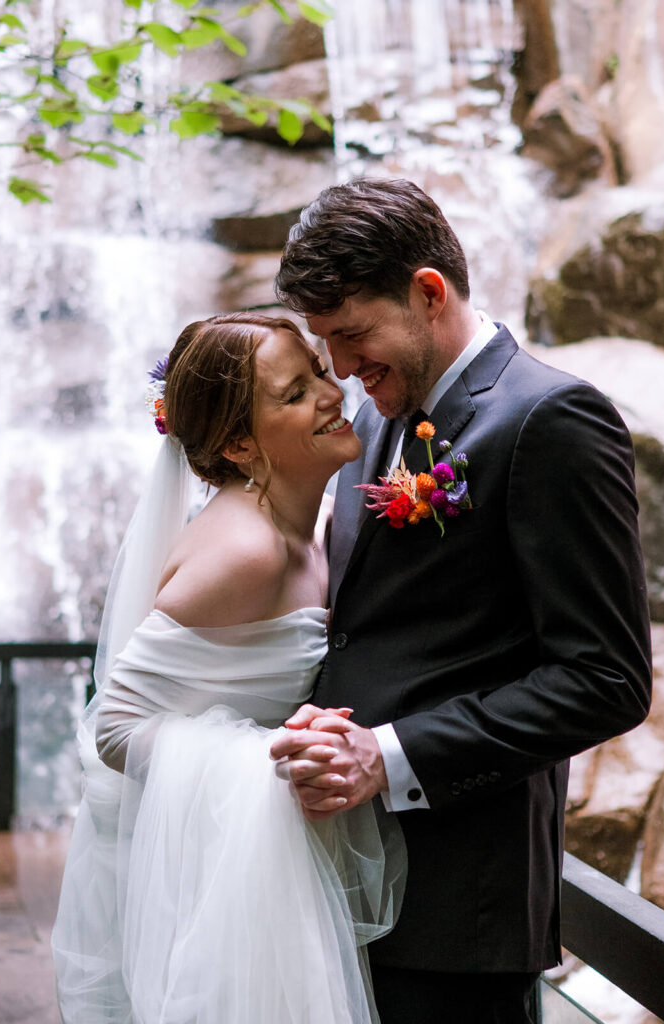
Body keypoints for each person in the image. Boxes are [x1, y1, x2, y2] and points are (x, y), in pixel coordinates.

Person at [270, 178, 653, 1024]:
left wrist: (388, 755)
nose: (337, 367)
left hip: (460, 906)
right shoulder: (371, 421)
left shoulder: (552, 419)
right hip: (346, 880)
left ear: (428, 292)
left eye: (351, 334)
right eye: (323, 342)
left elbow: (606, 679)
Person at [51, 312, 406, 1024]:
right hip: (223, 878)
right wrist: (265, 759)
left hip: (271, 867)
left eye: (317, 370)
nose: (332, 393)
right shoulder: (243, 551)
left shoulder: (321, 519)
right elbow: (115, 728)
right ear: (241, 443)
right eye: (295, 391)